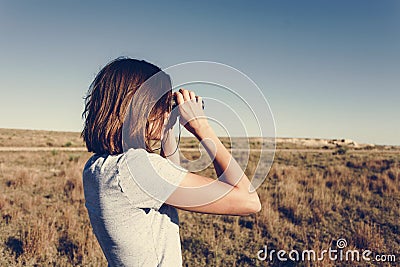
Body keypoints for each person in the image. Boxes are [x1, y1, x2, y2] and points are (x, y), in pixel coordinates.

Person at [81, 57, 261, 266]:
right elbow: (249, 201)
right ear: (142, 107)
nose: (166, 112)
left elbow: (168, 179)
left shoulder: (97, 167)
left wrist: (166, 126)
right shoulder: (136, 169)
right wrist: (202, 127)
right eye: (161, 105)